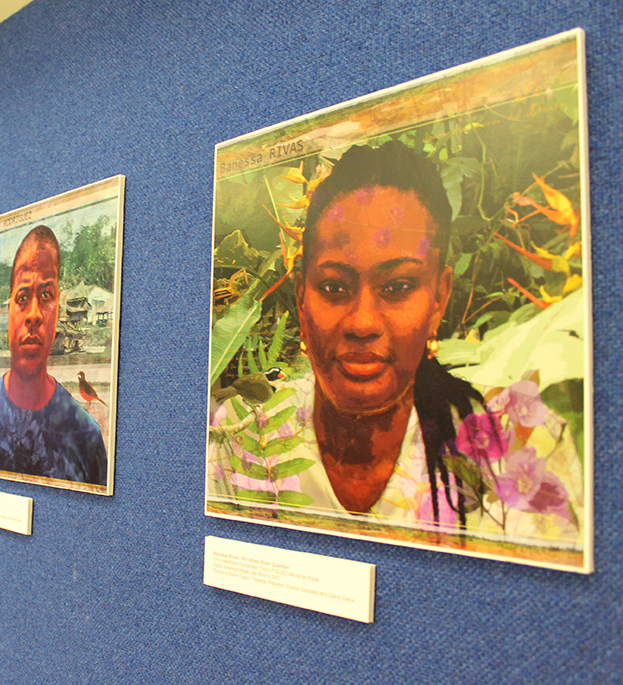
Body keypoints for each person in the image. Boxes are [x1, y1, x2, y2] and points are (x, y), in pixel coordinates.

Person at [209, 142, 582, 548]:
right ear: (301, 298)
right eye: (334, 288)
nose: (362, 322)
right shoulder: (236, 432)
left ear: (439, 297)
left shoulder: (517, 440)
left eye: (398, 286)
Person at [0, 225, 107, 485]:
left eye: (46, 295)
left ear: (58, 307)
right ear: (9, 312)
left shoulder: (86, 435)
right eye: (22, 297)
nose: (33, 314)